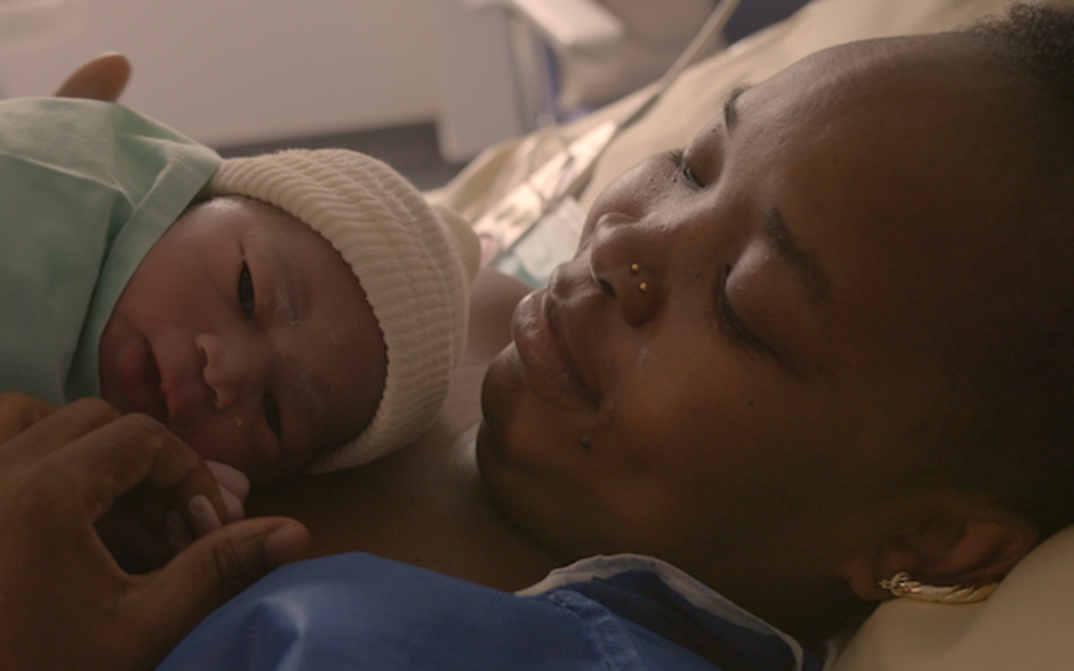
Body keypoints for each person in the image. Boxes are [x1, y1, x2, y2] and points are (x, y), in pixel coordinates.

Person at [0, 87, 480, 488]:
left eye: (274, 415)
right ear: (206, 200)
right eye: (247, 292)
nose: (224, 372)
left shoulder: (109, 506)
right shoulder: (52, 178)